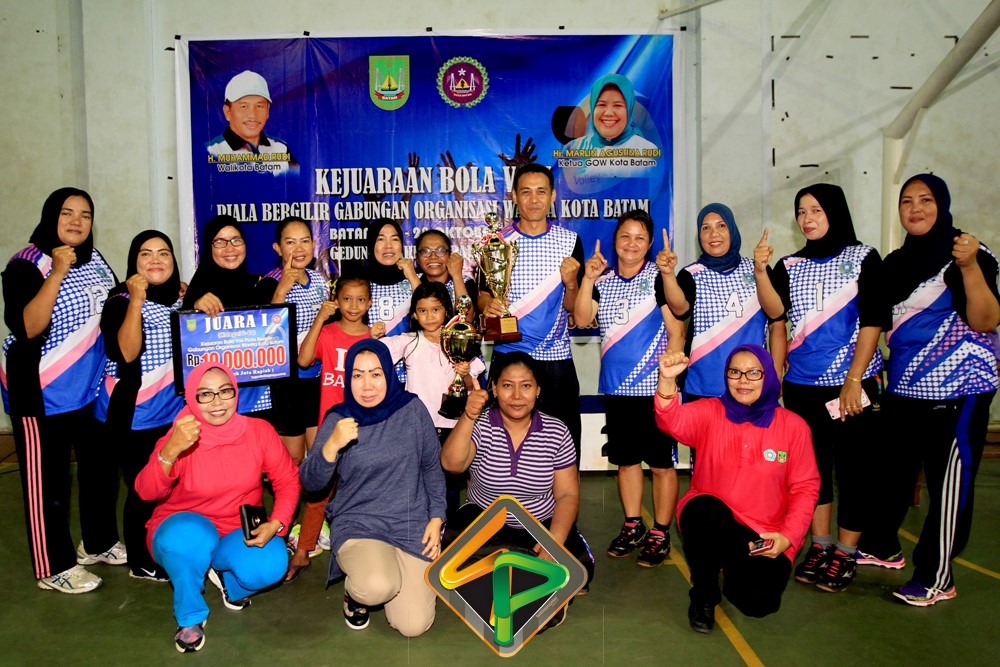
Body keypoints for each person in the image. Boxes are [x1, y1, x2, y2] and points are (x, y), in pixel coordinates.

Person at [858, 174, 999, 606]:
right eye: (907, 201)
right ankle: (883, 546)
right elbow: (876, 320)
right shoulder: (896, 263)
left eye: (926, 200)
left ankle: (937, 576)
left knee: (949, 485)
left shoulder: (968, 253)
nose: (915, 208)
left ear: (943, 204)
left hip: (958, 388)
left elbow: (986, 320)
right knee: (893, 472)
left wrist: (970, 267)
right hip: (905, 387)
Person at [754, 183, 889, 594]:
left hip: (850, 386)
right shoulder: (790, 265)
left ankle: (846, 553)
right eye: (801, 211)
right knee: (811, 472)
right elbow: (775, 313)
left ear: (835, 211)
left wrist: (854, 380)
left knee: (853, 471)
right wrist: (761, 271)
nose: (807, 218)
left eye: (815, 210)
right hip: (802, 388)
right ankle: (821, 544)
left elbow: (873, 322)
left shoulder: (863, 258)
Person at [1, 187, 122, 594]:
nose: (76, 221)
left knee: (99, 471)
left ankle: (99, 542)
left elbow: (115, 302)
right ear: (50, 216)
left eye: (85, 215)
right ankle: (53, 566)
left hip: (89, 388)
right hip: (40, 391)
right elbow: (28, 326)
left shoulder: (94, 259)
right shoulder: (25, 264)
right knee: (47, 484)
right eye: (67, 213)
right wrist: (56, 272)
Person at [135, 362, 299, 652]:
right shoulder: (180, 437)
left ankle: (230, 585)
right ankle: (190, 616)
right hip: (182, 529)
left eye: (225, 391)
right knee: (191, 538)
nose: (217, 402)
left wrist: (277, 522)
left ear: (235, 392)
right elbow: (146, 491)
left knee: (271, 564)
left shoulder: (258, 431)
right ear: (191, 398)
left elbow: (287, 479)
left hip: (235, 530)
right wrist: (170, 450)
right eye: (205, 394)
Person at [654, 345, 819, 633]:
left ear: (768, 377)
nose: (743, 380)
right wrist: (667, 380)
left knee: (758, 604)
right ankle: (704, 593)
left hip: (765, 532)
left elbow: (806, 487)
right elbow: (671, 420)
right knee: (702, 510)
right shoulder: (710, 412)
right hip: (713, 519)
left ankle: (728, 564)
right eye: (735, 372)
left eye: (753, 373)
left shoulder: (794, 426)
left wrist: (788, 536)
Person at [299, 339, 445, 637]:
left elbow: (431, 466)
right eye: (357, 375)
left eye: (376, 374)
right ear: (348, 378)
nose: (367, 385)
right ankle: (356, 595)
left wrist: (436, 517)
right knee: (377, 586)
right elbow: (311, 483)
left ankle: (385, 568)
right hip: (360, 523)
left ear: (389, 374)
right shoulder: (339, 418)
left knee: (413, 626)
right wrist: (331, 446)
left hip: (410, 523)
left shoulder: (412, 409)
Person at [441, 352, 595, 629]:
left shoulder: (557, 431)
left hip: (538, 524)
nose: (516, 396)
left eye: (525, 386)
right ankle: (528, 581)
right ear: (494, 388)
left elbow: (567, 495)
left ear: (538, 390)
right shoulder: (481, 424)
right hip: (487, 523)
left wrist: (553, 542)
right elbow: (452, 465)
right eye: (507, 385)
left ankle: (507, 577)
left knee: (581, 568)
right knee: (450, 548)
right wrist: (468, 416)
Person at [572, 209, 684, 566]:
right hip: (616, 389)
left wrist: (668, 382)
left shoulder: (657, 278)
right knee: (626, 462)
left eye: (639, 238)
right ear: (615, 240)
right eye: (625, 236)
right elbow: (581, 319)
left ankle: (660, 531)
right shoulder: (602, 281)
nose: (631, 244)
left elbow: (677, 329)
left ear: (649, 244)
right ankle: (633, 524)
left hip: (654, 390)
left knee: (662, 465)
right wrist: (588, 278)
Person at [95, 230, 186, 581]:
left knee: (167, 486)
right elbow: (127, 353)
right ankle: (140, 560)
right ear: (134, 261)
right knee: (143, 489)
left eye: (164, 253)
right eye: (146, 254)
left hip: (169, 410)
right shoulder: (120, 301)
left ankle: (160, 547)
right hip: (133, 414)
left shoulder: (177, 299)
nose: (156, 260)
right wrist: (136, 301)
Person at [480, 163, 585, 460]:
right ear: (514, 196)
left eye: (541, 192)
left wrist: (571, 283)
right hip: (508, 356)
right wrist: (487, 306)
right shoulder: (496, 243)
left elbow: (573, 307)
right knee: (500, 447)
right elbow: (483, 296)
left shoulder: (570, 242)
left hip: (555, 360)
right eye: (526, 192)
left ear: (553, 196)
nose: (534, 199)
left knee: (563, 448)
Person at [285, 276, 383, 582]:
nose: (353, 306)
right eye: (346, 299)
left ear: (369, 303)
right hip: (331, 427)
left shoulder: (373, 336)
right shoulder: (327, 333)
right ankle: (304, 549)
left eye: (360, 299)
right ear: (336, 301)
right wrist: (320, 318)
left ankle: (367, 549)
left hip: (365, 426)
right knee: (319, 489)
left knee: (365, 488)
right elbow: (303, 360)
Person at [658, 203, 786, 398]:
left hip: (750, 386)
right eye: (706, 228)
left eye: (721, 225)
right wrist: (668, 274)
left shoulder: (758, 268)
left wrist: (776, 375)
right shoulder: (691, 274)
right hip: (701, 387)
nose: (713, 233)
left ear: (732, 230)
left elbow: (776, 315)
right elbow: (680, 309)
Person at [256, 216, 329, 464]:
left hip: (317, 379)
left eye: (305, 241)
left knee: (319, 454)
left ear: (314, 245)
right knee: (293, 458)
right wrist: (281, 290)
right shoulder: (269, 283)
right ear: (278, 248)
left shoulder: (319, 280)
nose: (299, 249)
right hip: (286, 384)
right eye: (290, 242)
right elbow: (265, 335)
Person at [183, 214, 270, 415]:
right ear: (209, 248)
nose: (230, 248)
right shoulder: (198, 291)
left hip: (260, 398)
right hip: (215, 404)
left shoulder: (258, 286)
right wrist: (194, 309)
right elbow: (187, 343)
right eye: (220, 242)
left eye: (236, 240)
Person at [205, 70, 297, 173]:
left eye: (259, 106)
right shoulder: (211, 151)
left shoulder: (282, 149)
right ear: (227, 112)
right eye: (244, 106)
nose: (253, 115)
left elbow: (299, 180)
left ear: (268, 111)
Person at [365, 218, 421, 337]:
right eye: (381, 239)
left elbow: (428, 312)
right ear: (371, 244)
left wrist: (412, 277)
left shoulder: (417, 279)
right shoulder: (359, 282)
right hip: (369, 347)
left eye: (395, 239)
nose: (388, 246)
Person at [415, 228, 479, 321]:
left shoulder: (466, 283)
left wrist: (457, 276)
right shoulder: (410, 283)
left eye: (440, 250)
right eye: (426, 251)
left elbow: (467, 320)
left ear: (449, 255)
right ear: (417, 258)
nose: (433, 256)